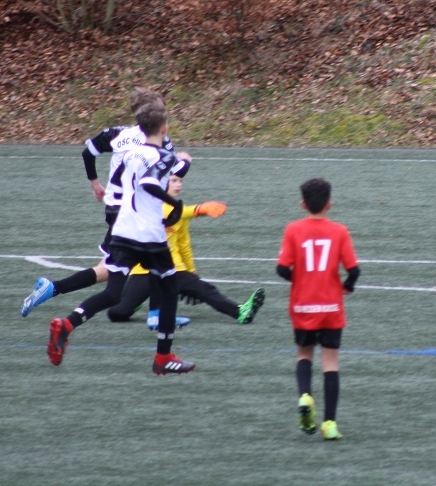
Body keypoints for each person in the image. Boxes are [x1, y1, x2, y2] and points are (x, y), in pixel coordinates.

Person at [46, 103, 194, 375]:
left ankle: (67, 324)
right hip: (148, 234)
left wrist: (183, 164)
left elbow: (133, 180)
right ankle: (163, 357)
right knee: (170, 288)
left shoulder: (129, 153)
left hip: (123, 229)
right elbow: (152, 182)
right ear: (164, 128)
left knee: (113, 293)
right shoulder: (162, 154)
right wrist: (174, 202)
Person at [20, 88, 189, 317]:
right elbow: (174, 172)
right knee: (151, 256)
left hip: (115, 207)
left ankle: (54, 289)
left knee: (112, 268)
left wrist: (95, 184)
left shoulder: (117, 133)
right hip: (133, 211)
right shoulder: (161, 141)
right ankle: (155, 315)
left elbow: (87, 153)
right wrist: (185, 161)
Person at [107, 175, 266, 326]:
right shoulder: (152, 206)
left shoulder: (178, 211)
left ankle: (240, 312)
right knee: (117, 313)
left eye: (180, 181)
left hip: (173, 268)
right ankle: (136, 304)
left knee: (206, 291)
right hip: (144, 270)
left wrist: (191, 272)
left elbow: (183, 245)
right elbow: (173, 211)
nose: (178, 185)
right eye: (174, 180)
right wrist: (199, 209)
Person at [276, 178, 360, 440]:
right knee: (330, 362)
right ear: (329, 204)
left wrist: (299, 279)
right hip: (331, 307)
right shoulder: (340, 231)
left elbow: (281, 268)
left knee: (304, 354)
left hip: (303, 306)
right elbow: (354, 270)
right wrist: (347, 286)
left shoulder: (293, 229)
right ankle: (330, 424)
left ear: (303, 204)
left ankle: (305, 396)